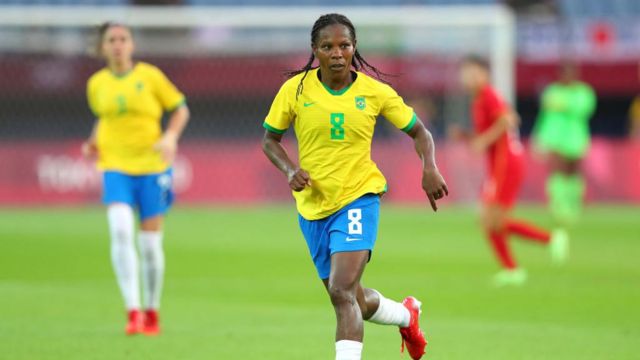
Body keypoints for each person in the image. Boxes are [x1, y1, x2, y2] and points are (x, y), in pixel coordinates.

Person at [261, 13, 448, 360]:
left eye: (343, 45)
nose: (336, 53)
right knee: (353, 298)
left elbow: (420, 131)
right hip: (313, 207)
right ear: (315, 50)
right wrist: (289, 171)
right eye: (327, 46)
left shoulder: (374, 91)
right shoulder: (296, 90)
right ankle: (407, 315)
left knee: (341, 291)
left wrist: (430, 167)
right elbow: (270, 140)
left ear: (354, 48)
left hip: (358, 199)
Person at [83, 22, 190, 335]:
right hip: (115, 166)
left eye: (123, 39)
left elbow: (181, 109)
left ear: (131, 45)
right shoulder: (96, 84)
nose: (118, 44)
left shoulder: (150, 76)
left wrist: (170, 138)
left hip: (153, 167)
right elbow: (105, 118)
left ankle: (152, 310)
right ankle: (132, 311)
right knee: (118, 230)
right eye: (111, 40)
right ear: (102, 47)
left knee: (150, 246)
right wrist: (93, 141)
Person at [454, 55, 567, 287]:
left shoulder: (488, 95)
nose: (468, 78)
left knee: (489, 218)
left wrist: (483, 140)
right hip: (499, 162)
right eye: (465, 73)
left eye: (473, 73)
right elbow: (493, 130)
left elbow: (509, 120)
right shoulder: (478, 100)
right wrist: (468, 138)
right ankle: (518, 264)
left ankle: (545, 243)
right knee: (489, 220)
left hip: (507, 162)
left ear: (484, 74)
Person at [533, 63, 596, 243]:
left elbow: (584, 109)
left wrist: (564, 104)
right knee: (557, 170)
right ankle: (558, 206)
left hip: (576, 138)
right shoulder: (552, 91)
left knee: (574, 172)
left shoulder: (584, 92)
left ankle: (573, 205)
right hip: (556, 138)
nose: (568, 76)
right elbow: (545, 115)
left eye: (571, 72)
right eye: (564, 72)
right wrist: (540, 137)